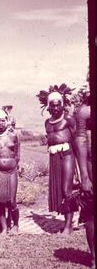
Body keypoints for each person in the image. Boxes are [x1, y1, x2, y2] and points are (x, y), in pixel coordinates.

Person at [37, 84, 77, 235]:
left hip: (67, 155)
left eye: (58, 105)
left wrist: (79, 163)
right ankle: (66, 224)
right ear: (48, 107)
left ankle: (68, 226)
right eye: (52, 106)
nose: (55, 108)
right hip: (54, 157)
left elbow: (76, 140)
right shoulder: (47, 123)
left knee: (67, 189)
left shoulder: (69, 119)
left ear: (62, 105)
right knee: (59, 190)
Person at [0, 109, 20, 236]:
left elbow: (17, 154)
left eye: (3, 121)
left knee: (11, 201)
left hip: (12, 171)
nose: (0, 123)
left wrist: (14, 166)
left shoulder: (13, 136)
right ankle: (4, 228)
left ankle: (16, 225)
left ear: (6, 121)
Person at [74, 87, 94, 267]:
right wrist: (84, 177)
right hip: (90, 165)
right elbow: (80, 142)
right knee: (91, 213)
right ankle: (94, 256)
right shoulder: (84, 111)